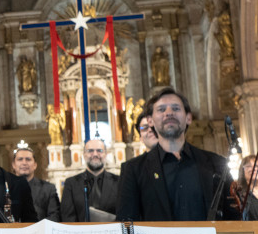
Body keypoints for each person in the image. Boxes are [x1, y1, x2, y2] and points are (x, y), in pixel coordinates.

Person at [117, 88, 238, 221]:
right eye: (161, 110)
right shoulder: (133, 170)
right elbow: (126, 224)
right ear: (150, 120)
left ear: (188, 118)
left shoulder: (217, 163)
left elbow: (233, 218)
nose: (169, 113)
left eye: (176, 108)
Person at [61, 139, 119, 222]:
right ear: (84, 155)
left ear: (106, 154)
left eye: (99, 150)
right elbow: (67, 216)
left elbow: (123, 213)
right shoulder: (71, 183)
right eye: (90, 151)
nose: (95, 154)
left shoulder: (118, 181)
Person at [11, 146, 60, 222]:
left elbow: (55, 217)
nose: (24, 163)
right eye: (20, 159)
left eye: (28, 159)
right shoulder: (4, 188)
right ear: (13, 165)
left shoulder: (48, 189)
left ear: (35, 165)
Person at [232, 155, 258, 220]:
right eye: (249, 166)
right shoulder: (238, 193)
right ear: (242, 171)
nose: (254, 168)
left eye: (257, 166)